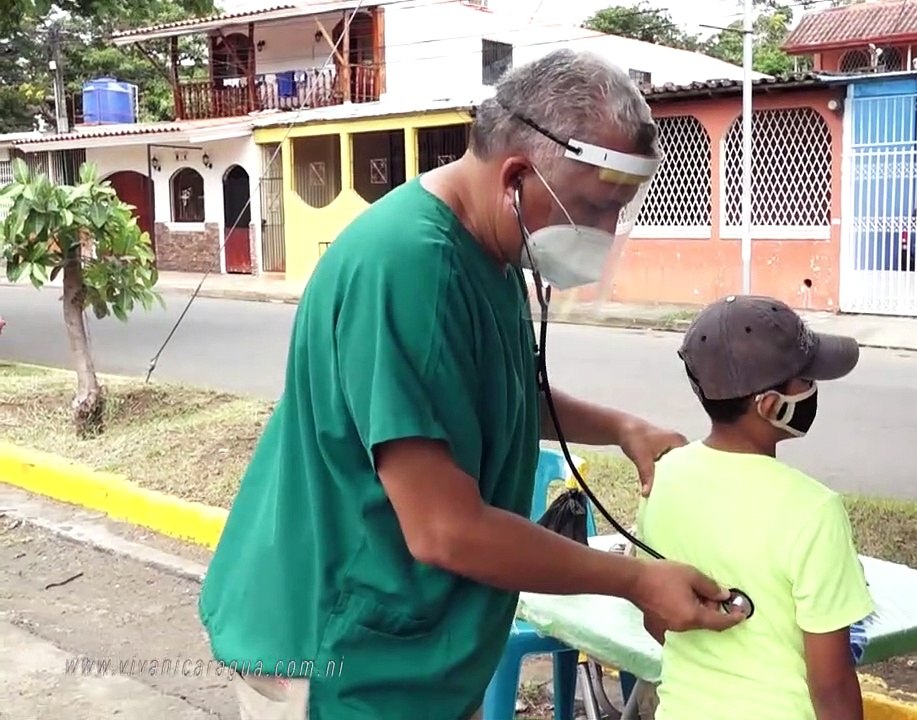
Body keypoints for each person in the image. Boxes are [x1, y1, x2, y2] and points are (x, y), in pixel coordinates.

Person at [199, 49, 744, 720]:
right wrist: (637, 582)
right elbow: (444, 531)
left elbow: (495, 394)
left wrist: (619, 428)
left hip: (414, 649)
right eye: (598, 207)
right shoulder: (408, 267)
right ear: (516, 175)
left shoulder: (489, 247)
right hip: (341, 652)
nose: (603, 233)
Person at [636, 294, 877, 720]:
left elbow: (656, 622)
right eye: (804, 379)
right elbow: (832, 686)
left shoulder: (661, 479)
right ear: (768, 406)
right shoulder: (813, 510)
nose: (812, 389)